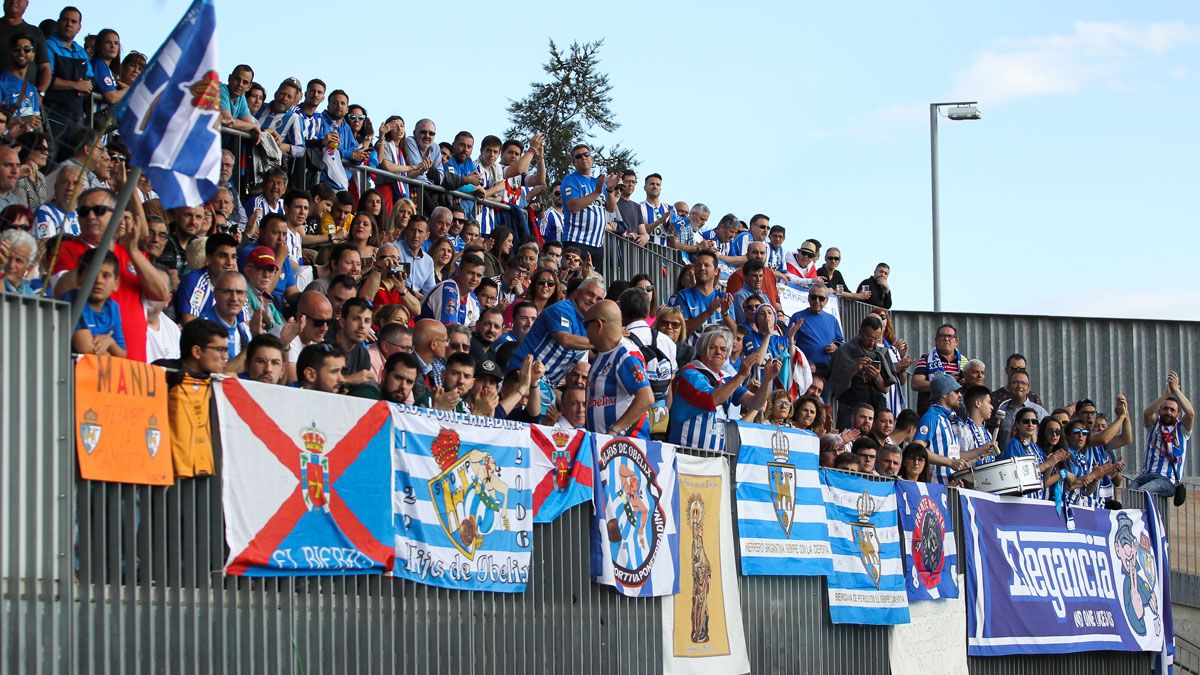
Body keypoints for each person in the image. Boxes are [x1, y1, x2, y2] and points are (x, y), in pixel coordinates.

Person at [668, 326, 779, 452]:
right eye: (712, 347)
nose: (718, 352)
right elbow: (711, 399)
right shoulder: (690, 373)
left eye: (723, 349)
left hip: (715, 457)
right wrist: (741, 375)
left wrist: (767, 380)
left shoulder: (726, 378)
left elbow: (756, 403)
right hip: (685, 452)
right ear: (701, 350)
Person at [507, 278, 605, 397]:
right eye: (590, 294)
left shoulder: (588, 321)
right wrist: (603, 340)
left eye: (599, 299)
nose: (593, 300)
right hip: (522, 373)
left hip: (546, 385)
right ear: (578, 293)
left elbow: (584, 346)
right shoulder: (562, 309)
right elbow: (566, 340)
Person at [585, 299, 653, 439]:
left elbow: (646, 398)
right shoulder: (602, 353)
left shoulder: (625, 355)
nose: (585, 332)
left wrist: (615, 430)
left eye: (586, 325)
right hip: (605, 446)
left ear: (598, 325)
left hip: (625, 449)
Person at [912, 373, 996, 484]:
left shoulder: (950, 419)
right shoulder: (932, 417)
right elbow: (917, 449)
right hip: (936, 485)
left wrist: (980, 451)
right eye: (956, 391)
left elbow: (955, 457)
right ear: (944, 394)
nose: (960, 395)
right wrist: (950, 463)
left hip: (951, 486)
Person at [1131, 372, 1194, 505]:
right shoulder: (1154, 426)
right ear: (1159, 411)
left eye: (1172, 410)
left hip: (1166, 480)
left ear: (1178, 414)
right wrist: (1166, 394)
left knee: (1141, 494)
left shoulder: (1181, 430)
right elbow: (1147, 413)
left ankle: (1147, 524)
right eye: (1165, 409)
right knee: (1129, 495)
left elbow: (1191, 413)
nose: (1168, 412)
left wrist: (1176, 390)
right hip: (1144, 476)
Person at [826, 314, 896, 429]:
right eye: (869, 338)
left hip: (875, 406)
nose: (873, 343)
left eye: (877, 339)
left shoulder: (882, 353)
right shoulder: (845, 351)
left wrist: (877, 377)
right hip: (850, 406)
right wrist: (855, 368)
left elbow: (885, 388)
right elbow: (836, 384)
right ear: (860, 333)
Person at [560, 143, 618, 267]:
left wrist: (610, 190)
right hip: (576, 241)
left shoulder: (597, 182)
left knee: (594, 283)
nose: (583, 158)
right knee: (576, 282)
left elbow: (611, 208)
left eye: (586, 154)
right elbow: (573, 206)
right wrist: (597, 192)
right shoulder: (570, 180)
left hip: (597, 244)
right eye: (579, 156)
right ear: (573, 162)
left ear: (591, 158)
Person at [998, 407, 1068, 500]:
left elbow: (1043, 482)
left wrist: (1054, 460)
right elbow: (1019, 474)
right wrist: (1047, 464)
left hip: (1037, 500)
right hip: (1020, 500)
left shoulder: (1036, 448)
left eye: (1034, 422)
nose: (1031, 424)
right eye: (1026, 421)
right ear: (1017, 424)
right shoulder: (1014, 443)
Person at [43, 7, 91, 144]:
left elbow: (90, 78)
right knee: (50, 160)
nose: (69, 24)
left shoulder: (81, 51)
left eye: (73, 21)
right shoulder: (48, 45)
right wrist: (76, 85)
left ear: (79, 27)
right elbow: (47, 79)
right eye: (65, 20)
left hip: (76, 117)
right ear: (58, 22)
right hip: (53, 113)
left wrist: (86, 87)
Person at [67, 248, 124, 356]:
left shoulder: (113, 307)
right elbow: (85, 348)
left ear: (116, 284)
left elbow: (123, 353)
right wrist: (111, 355)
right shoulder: (72, 300)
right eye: (92, 273)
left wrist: (110, 342)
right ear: (79, 278)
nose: (99, 280)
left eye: (106, 275)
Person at [668, 250, 734, 343]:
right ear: (694, 269)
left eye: (707, 265)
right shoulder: (683, 296)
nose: (702, 268)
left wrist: (725, 314)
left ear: (716, 271)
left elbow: (734, 333)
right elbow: (682, 330)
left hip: (720, 355)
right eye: (698, 265)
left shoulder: (724, 298)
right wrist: (708, 312)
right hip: (692, 355)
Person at [176, 232, 240, 323]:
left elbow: (245, 327)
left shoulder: (237, 286)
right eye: (223, 256)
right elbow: (190, 326)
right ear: (208, 259)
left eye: (233, 257)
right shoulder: (195, 281)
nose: (230, 263)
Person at [788, 283, 842, 381]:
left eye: (821, 298)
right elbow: (789, 343)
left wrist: (835, 346)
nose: (817, 301)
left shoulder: (832, 320)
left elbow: (840, 341)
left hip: (827, 370)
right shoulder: (797, 317)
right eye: (814, 297)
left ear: (826, 301)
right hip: (805, 368)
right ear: (808, 298)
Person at [199, 270, 252, 368]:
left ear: (246, 296)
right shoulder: (201, 328)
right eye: (228, 292)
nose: (234, 298)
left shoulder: (245, 330)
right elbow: (219, 373)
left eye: (239, 292)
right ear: (215, 294)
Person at [911, 323, 967, 413]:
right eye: (942, 336)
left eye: (950, 336)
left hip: (958, 414)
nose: (946, 339)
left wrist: (965, 383)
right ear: (936, 340)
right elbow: (916, 383)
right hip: (931, 413)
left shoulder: (965, 362)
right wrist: (946, 382)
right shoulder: (926, 359)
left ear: (956, 341)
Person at [420, 252, 484, 326]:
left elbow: (473, 331)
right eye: (470, 273)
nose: (474, 279)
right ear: (459, 270)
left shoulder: (473, 298)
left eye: (479, 275)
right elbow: (449, 328)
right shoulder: (448, 289)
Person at [329, 297, 375, 387]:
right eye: (355, 319)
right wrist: (348, 380)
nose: (362, 325)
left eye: (367, 321)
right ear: (342, 322)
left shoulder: (363, 354)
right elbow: (320, 384)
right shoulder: (325, 346)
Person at [995, 370, 1050, 440]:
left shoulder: (1039, 411)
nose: (1019, 386)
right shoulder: (1002, 410)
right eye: (1015, 382)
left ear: (1028, 388)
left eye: (1023, 383)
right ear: (1009, 386)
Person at [958, 385, 1000, 465]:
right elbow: (956, 459)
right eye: (989, 403)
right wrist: (980, 451)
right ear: (978, 403)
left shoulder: (988, 434)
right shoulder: (963, 431)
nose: (992, 407)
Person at [411, 318, 448, 399]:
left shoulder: (430, 368)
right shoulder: (409, 368)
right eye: (445, 341)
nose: (447, 345)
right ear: (433, 344)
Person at [0, 224, 35, 295]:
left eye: (19, 260)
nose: (11, 265)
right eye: (8, 258)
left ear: (29, 267)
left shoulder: (29, 293)